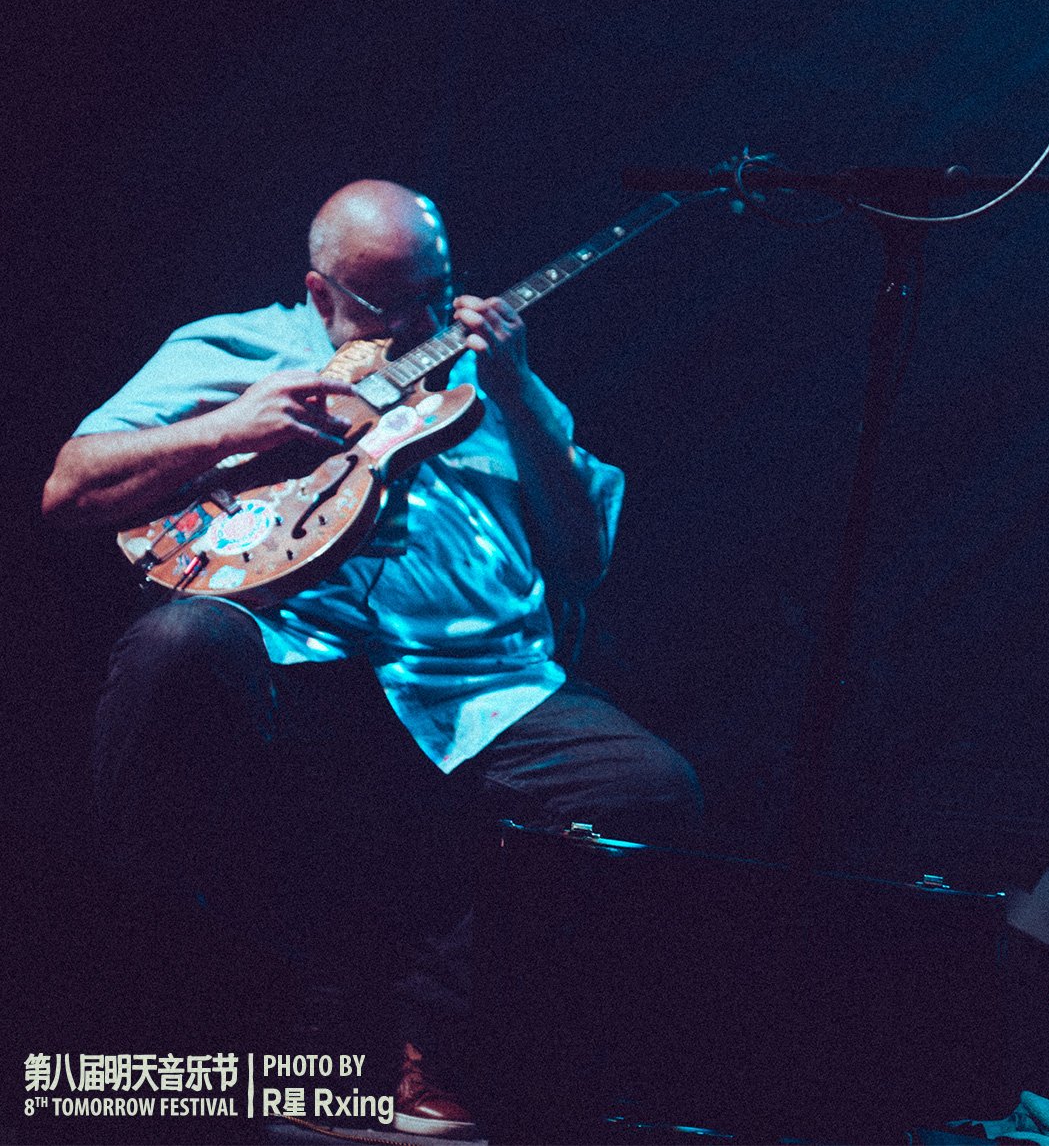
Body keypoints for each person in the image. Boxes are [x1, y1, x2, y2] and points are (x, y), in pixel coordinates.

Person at [44, 180, 700, 1139]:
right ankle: (148, 968)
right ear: (322, 293)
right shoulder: (246, 346)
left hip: (484, 685)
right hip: (302, 658)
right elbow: (68, 485)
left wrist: (518, 390)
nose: (422, 322)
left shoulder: (499, 382)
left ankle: (436, 1047)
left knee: (647, 784)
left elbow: (582, 557)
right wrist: (231, 426)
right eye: (391, 304)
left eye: (437, 291)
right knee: (181, 641)